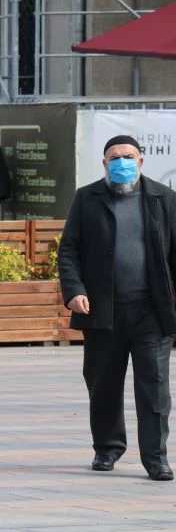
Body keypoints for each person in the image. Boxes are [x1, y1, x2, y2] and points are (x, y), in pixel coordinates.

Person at [58, 134, 176, 482]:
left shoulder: (164, 198)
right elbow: (69, 250)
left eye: (128, 156)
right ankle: (107, 449)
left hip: (151, 311)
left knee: (154, 388)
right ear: (104, 163)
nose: (122, 162)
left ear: (140, 161)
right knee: (103, 384)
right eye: (114, 157)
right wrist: (74, 291)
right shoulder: (87, 198)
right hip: (102, 310)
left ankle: (156, 458)